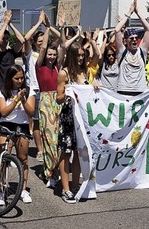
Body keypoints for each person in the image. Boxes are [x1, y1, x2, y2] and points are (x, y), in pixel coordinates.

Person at [0, 65, 36, 204]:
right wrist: (15, 100)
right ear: (10, 78)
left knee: (23, 158)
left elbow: (31, 113)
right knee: (3, 157)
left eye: (21, 78)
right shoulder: (2, 92)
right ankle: (0, 189)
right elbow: (4, 112)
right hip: (6, 124)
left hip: (22, 126)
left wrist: (23, 100)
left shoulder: (29, 92)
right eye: (16, 78)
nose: (20, 81)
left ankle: (23, 189)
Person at [56, 42, 88, 204]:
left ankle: (76, 185)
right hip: (68, 118)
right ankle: (65, 188)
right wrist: (67, 92)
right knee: (66, 153)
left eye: (83, 55)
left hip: (82, 119)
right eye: (78, 56)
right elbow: (58, 98)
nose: (81, 58)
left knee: (79, 153)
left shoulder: (84, 71)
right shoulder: (64, 73)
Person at [35, 19, 61, 187]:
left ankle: (55, 170)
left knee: (58, 140)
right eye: (49, 54)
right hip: (45, 102)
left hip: (58, 102)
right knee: (49, 139)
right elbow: (43, 48)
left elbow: (63, 43)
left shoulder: (57, 66)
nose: (51, 57)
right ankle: (48, 172)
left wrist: (54, 28)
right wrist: (46, 29)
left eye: (53, 54)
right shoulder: (39, 65)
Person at [0, 10, 25, 124]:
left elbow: (22, 40)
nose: (5, 40)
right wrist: (4, 24)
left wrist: (10, 24)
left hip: (10, 90)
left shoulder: (11, 52)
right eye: (3, 38)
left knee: (10, 118)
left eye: (7, 39)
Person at [114, 0, 149, 95]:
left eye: (136, 38)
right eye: (131, 38)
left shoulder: (142, 51)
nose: (134, 40)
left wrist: (138, 13)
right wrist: (129, 13)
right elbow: (117, 30)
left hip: (140, 90)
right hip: (123, 90)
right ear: (126, 40)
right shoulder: (122, 52)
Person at [23, 11, 46, 163]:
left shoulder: (47, 53)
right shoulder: (29, 54)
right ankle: (39, 150)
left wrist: (49, 26)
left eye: (43, 40)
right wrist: (39, 23)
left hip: (46, 90)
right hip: (34, 90)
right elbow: (25, 38)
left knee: (48, 122)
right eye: (39, 40)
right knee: (37, 121)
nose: (41, 42)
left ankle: (48, 147)